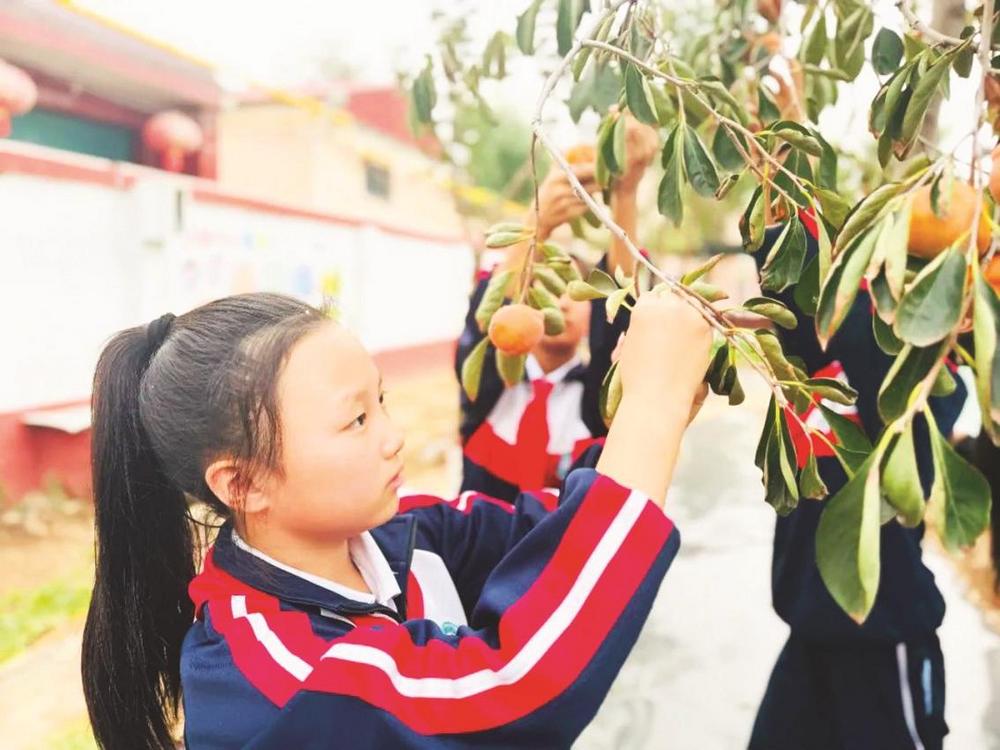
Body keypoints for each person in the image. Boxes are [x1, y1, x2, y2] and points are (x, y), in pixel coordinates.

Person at [80, 289, 711, 749]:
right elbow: (507, 687)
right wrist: (650, 408)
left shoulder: (406, 535)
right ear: (242, 483)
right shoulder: (272, 672)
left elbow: (558, 537)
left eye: (380, 401)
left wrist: (654, 418)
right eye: (355, 420)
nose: (393, 437)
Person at [744, 212, 966, 750]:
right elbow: (788, 275)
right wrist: (781, 179)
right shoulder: (818, 367)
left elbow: (814, 296)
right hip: (811, 633)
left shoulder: (923, 386)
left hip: (884, 642)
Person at [457, 115, 660, 502]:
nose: (563, 300)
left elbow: (620, 308)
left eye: (577, 291)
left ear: (591, 317)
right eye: (548, 284)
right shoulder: (489, 383)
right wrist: (538, 222)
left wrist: (626, 194)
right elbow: (487, 317)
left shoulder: (593, 396)